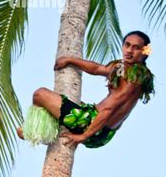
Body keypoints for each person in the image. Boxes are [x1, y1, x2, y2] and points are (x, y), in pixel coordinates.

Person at [17, 31, 155, 149]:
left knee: (39, 94)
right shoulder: (128, 70)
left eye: (136, 48)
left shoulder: (132, 76)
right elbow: (97, 69)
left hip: (91, 125)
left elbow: (110, 109)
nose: (129, 50)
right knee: (72, 102)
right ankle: (42, 130)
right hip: (103, 134)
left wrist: (83, 136)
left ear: (144, 52)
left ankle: (37, 132)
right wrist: (71, 60)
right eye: (127, 45)